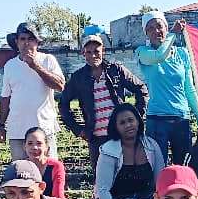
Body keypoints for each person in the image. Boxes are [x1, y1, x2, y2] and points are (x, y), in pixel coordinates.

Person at [59, 33, 149, 169]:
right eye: (88, 52)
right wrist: (78, 130)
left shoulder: (116, 70)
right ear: (83, 53)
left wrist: (135, 118)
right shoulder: (79, 77)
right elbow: (63, 104)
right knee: (100, 180)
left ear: (103, 51)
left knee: (126, 175)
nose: (93, 55)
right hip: (96, 139)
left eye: (96, 51)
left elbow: (141, 89)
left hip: (120, 136)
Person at [95, 103, 165, 199]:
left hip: (143, 194)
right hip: (113, 198)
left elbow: (160, 181)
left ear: (138, 121)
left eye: (130, 120)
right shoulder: (109, 151)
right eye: (122, 123)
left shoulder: (152, 146)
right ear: (116, 127)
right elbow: (103, 190)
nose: (128, 125)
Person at [135, 11, 198, 164]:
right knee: (158, 167)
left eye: (159, 26)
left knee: (184, 167)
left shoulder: (182, 53)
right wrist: (173, 34)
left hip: (181, 119)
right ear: (146, 33)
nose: (156, 31)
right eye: (150, 28)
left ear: (165, 27)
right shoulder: (142, 53)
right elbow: (159, 55)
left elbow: (189, 89)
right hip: (157, 121)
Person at [0, 22, 65, 161]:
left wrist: (36, 66)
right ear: (17, 42)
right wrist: (1, 125)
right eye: (22, 39)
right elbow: (5, 98)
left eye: (31, 39)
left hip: (43, 128)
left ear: (37, 42)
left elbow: (60, 85)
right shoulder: (10, 65)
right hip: (18, 131)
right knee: (21, 173)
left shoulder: (47, 60)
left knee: (48, 171)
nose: (26, 43)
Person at [24, 126, 66, 199]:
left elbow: (58, 196)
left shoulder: (56, 166)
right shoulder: (20, 167)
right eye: (30, 143)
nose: (35, 147)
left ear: (46, 147)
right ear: (24, 146)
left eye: (39, 143)